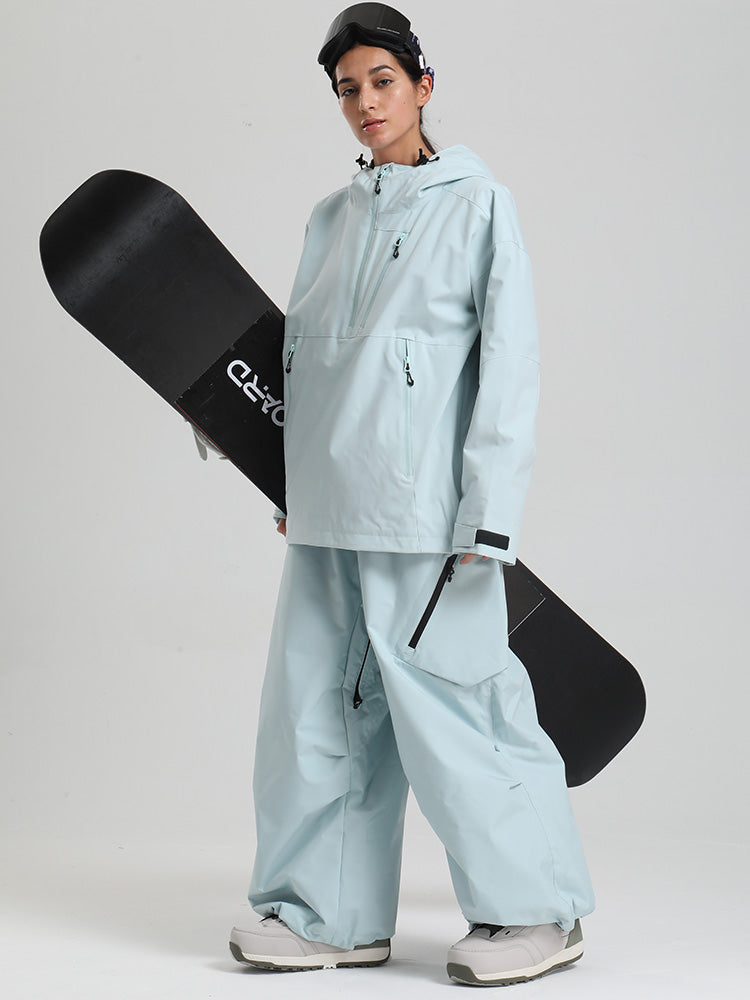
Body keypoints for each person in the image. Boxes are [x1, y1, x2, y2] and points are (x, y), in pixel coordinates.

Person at [229, 3, 595, 987]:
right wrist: (294, 479)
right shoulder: (330, 217)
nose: (365, 102)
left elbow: (509, 365)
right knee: (315, 713)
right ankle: (327, 914)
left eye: (382, 81)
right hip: (329, 515)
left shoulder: (478, 205)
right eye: (347, 88)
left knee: (461, 712)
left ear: (423, 85)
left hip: (427, 517)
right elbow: (309, 361)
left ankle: (537, 909)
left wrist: (491, 513)